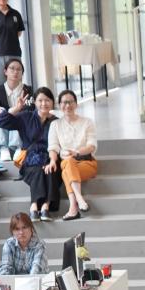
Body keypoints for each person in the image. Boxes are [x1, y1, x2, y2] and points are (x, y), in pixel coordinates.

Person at [0, 86, 59, 220]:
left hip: (50, 157)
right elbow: (0, 121)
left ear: (52, 102)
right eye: (40, 100)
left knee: (50, 169)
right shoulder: (26, 116)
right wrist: (17, 108)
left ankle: (45, 206)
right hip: (30, 160)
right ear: (34, 102)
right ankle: (35, 205)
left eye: (47, 100)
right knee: (38, 170)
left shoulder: (56, 121)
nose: (44, 103)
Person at [48, 89, 98, 220]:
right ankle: (79, 200)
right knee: (68, 163)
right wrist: (52, 161)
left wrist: (77, 152)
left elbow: (92, 145)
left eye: (71, 102)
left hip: (86, 163)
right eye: (64, 102)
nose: (68, 105)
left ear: (76, 104)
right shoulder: (55, 124)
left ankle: (73, 206)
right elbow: (53, 147)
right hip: (68, 163)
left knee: (66, 170)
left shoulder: (87, 122)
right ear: (59, 105)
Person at [0, 58, 29, 161]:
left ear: (22, 73)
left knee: (20, 114)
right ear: (5, 71)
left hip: (20, 125)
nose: (15, 72)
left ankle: (18, 148)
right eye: (12, 68)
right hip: (4, 121)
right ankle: (3, 149)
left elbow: (30, 110)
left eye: (19, 69)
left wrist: (13, 111)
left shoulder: (27, 90)